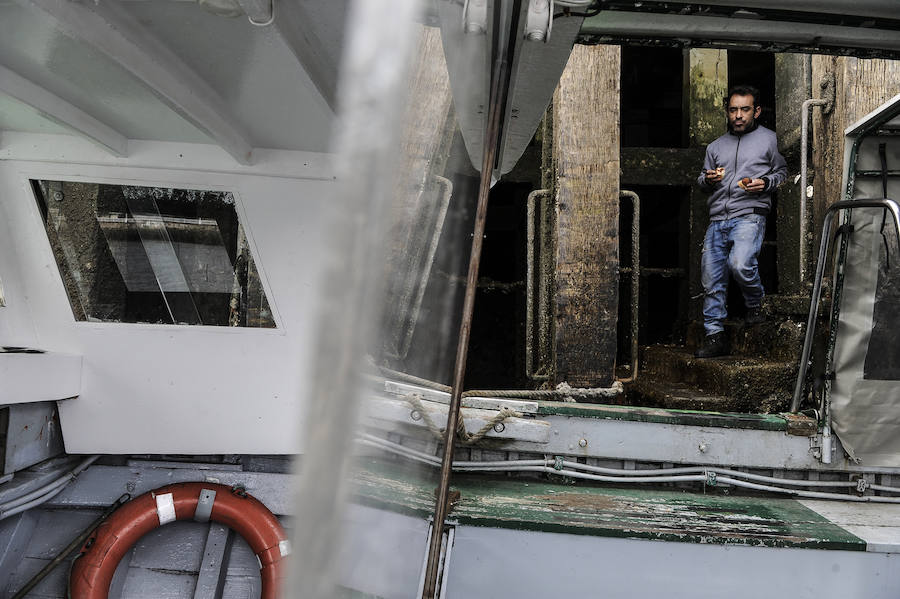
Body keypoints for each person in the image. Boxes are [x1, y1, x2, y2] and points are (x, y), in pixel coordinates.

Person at [694, 85, 787, 358]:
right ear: (727, 111)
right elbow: (701, 180)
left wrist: (766, 182)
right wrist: (707, 179)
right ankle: (715, 336)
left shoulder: (770, 140)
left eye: (745, 109)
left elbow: (783, 172)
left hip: (749, 214)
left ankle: (756, 304)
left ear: (756, 111)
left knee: (741, 264)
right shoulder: (715, 147)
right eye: (733, 110)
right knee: (711, 280)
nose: (738, 115)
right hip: (717, 219)